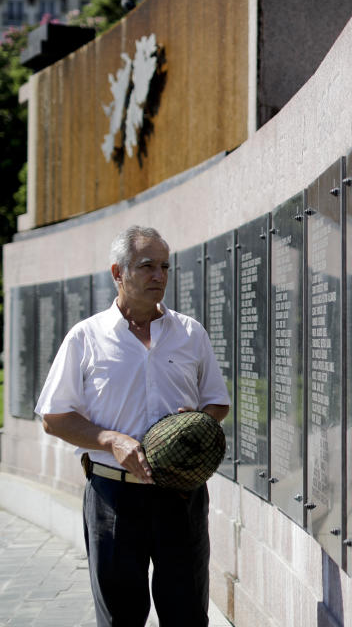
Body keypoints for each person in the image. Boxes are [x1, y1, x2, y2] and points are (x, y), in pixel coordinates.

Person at [36, 225, 230, 627]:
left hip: (181, 494)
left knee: (188, 615)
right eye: (146, 266)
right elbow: (54, 417)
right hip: (113, 496)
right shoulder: (85, 338)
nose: (158, 275)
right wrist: (110, 440)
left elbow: (217, 402)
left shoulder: (190, 333)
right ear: (117, 273)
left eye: (164, 266)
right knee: (121, 618)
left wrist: (193, 426)